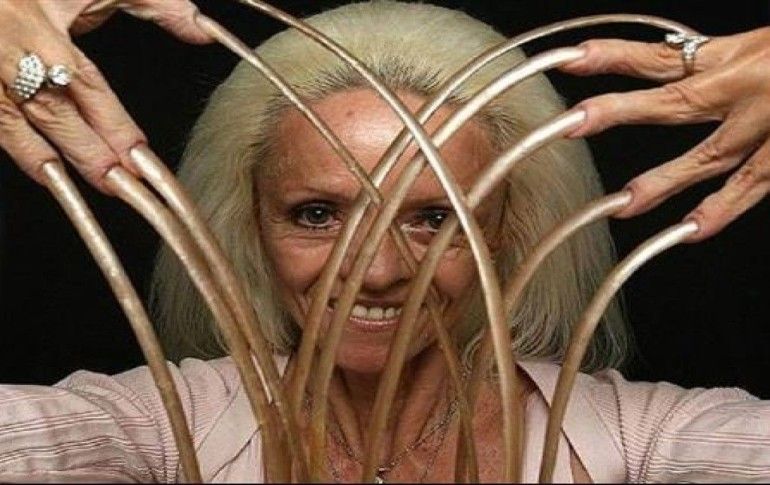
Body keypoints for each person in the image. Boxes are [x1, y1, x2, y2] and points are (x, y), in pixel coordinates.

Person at [0, 0, 769, 482]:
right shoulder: (162, 428)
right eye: (316, 213)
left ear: (510, 229)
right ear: (251, 225)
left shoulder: (639, 441)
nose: (377, 271)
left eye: (435, 218)